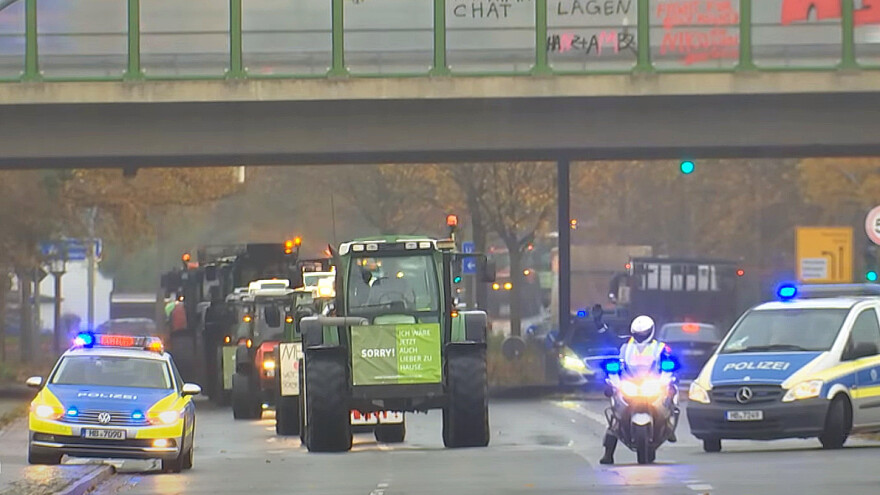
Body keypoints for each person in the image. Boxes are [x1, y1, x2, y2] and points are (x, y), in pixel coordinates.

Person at [599, 315, 679, 465]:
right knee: (615, 420)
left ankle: (668, 425)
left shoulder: (660, 347)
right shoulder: (625, 347)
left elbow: (671, 363)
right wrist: (612, 376)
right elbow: (611, 350)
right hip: (630, 383)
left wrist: (668, 374)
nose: (641, 336)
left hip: (652, 382)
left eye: (644, 333)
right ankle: (608, 454)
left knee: (670, 394)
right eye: (638, 333)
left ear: (651, 331)